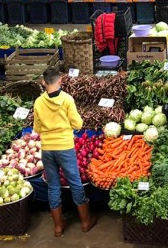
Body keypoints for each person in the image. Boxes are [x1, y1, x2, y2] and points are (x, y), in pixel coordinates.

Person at [35, 68, 96, 237]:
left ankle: (58, 227)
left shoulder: (39, 102)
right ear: (60, 81)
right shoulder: (67, 99)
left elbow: (37, 128)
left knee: (53, 186)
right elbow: (77, 124)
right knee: (75, 182)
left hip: (47, 148)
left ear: (43, 83)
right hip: (64, 147)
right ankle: (85, 222)